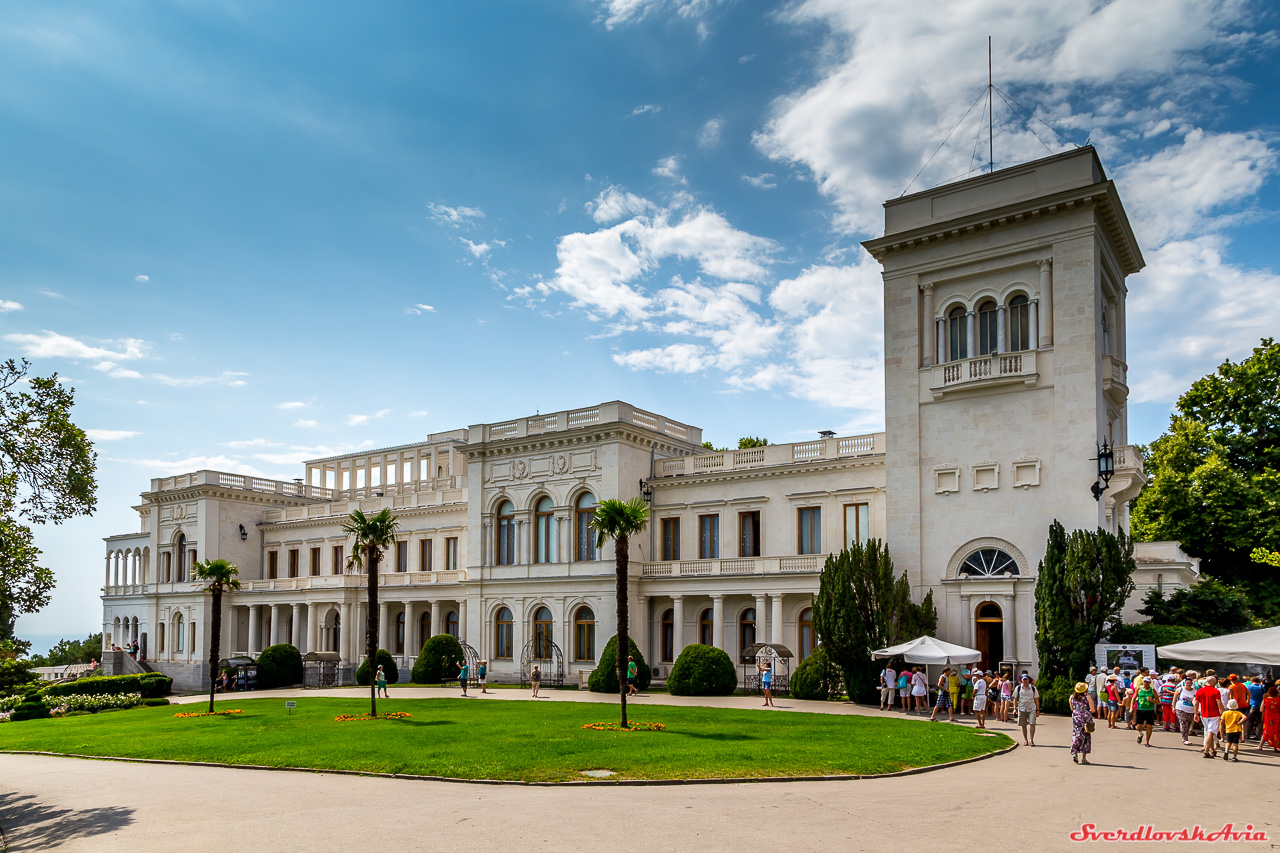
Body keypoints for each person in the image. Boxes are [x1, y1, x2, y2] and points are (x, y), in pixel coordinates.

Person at [1194, 675, 1224, 758]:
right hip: (1214, 714)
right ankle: (1206, 751)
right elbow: (1219, 703)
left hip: (1204, 714)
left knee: (1209, 732)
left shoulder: (1200, 691)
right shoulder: (1216, 691)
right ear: (1215, 682)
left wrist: (1196, 714)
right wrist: (1224, 712)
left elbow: (1196, 703)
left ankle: (1212, 750)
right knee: (1211, 733)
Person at [1069, 682, 1095, 765]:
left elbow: (1072, 708)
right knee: (1086, 736)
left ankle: (1074, 752)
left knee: (1076, 734)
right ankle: (1084, 758)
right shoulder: (1087, 698)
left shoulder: (1072, 697)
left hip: (1076, 717)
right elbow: (1093, 710)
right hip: (1086, 718)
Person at [1014, 673, 1040, 746]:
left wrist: (1038, 710)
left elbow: (1036, 699)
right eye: (1024, 679)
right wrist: (1014, 709)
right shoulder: (1018, 688)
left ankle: (1031, 740)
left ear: (1028, 680)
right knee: (1023, 725)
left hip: (1031, 708)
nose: (1025, 681)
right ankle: (1025, 740)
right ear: (1021, 680)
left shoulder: (1033, 688)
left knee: (1032, 723)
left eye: (1026, 679)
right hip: (1022, 708)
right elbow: (1015, 699)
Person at [1173, 674, 1197, 746]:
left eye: (1190, 683)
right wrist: (1173, 707)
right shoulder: (1180, 689)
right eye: (1187, 683)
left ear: (1192, 683)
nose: (1188, 684)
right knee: (1183, 722)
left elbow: (1196, 701)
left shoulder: (1195, 691)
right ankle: (1184, 739)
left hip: (1191, 709)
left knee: (1188, 723)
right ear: (1185, 683)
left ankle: (1186, 736)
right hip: (1180, 708)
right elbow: (1174, 698)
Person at [1134, 676, 1158, 747]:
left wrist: (1152, 700)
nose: (1145, 683)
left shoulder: (1152, 690)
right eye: (1144, 682)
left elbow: (1158, 700)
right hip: (1140, 709)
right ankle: (1140, 734)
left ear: (1149, 683)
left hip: (1149, 710)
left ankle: (1147, 741)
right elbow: (1134, 698)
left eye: (1147, 682)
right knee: (1139, 726)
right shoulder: (1139, 689)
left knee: (1149, 726)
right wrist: (1131, 707)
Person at [1259, 685, 1280, 753]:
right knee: (1276, 732)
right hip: (1277, 717)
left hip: (1268, 717)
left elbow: (1261, 710)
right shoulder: (1278, 700)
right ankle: (1275, 747)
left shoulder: (1265, 700)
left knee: (1266, 730)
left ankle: (1260, 746)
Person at [1245, 675, 1265, 740]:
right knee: (1260, 721)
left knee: (1249, 721)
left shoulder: (1249, 687)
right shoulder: (1262, 687)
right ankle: (1259, 736)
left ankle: (1247, 735)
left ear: (1251, 681)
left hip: (1253, 706)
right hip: (1261, 706)